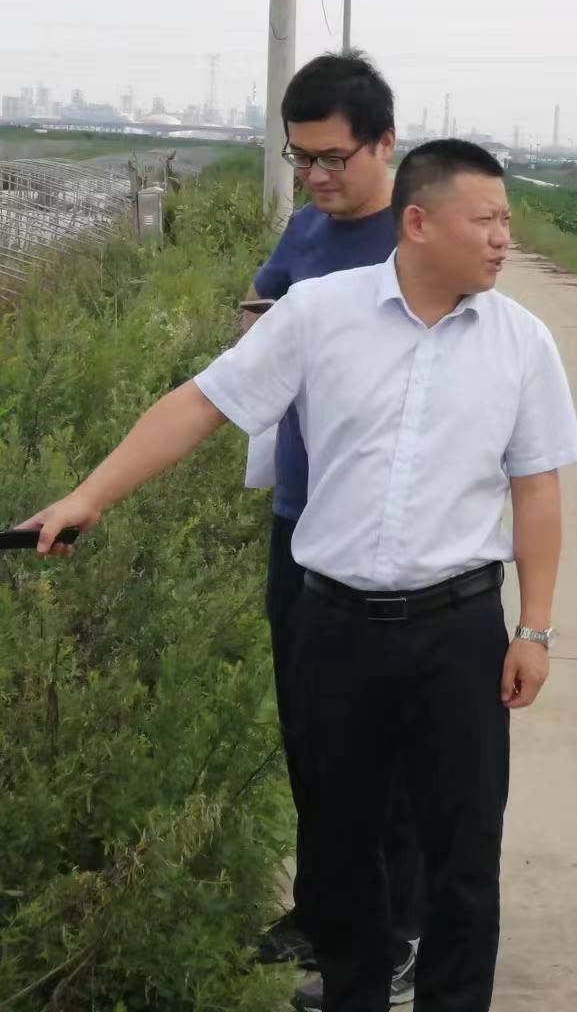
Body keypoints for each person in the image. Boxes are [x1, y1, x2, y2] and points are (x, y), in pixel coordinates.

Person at [26, 139, 577, 1012]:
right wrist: (89, 495)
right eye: (485, 220)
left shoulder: (522, 342)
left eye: (505, 220)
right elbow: (202, 403)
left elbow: (537, 488)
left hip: (459, 632)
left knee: (464, 859)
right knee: (338, 849)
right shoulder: (320, 314)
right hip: (335, 629)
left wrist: (535, 629)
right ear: (418, 222)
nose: (502, 238)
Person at [242, 52, 424, 1004]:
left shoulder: (420, 236)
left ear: (385, 144)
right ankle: (323, 908)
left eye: (332, 158)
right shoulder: (308, 227)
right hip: (300, 516)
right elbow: (262, 304)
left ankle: (395, 932)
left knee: (384, 745)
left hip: (386, 537)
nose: (314, 176)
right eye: (300, 156)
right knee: (310, 729)